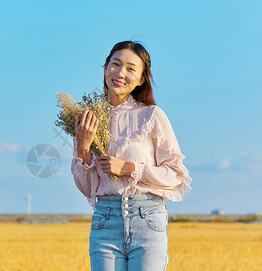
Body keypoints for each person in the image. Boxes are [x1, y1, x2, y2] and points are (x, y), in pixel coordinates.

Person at [71, 41, 192, 270]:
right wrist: (83, 149)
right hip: (105, 220)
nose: (120, 73)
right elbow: (88, 189)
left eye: (130, 69)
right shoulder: (87, 119)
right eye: (115, 64)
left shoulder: (152, 116)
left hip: (147, 218)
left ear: (141, 79)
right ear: (105, 67)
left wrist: (129, 169)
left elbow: (177, 175)